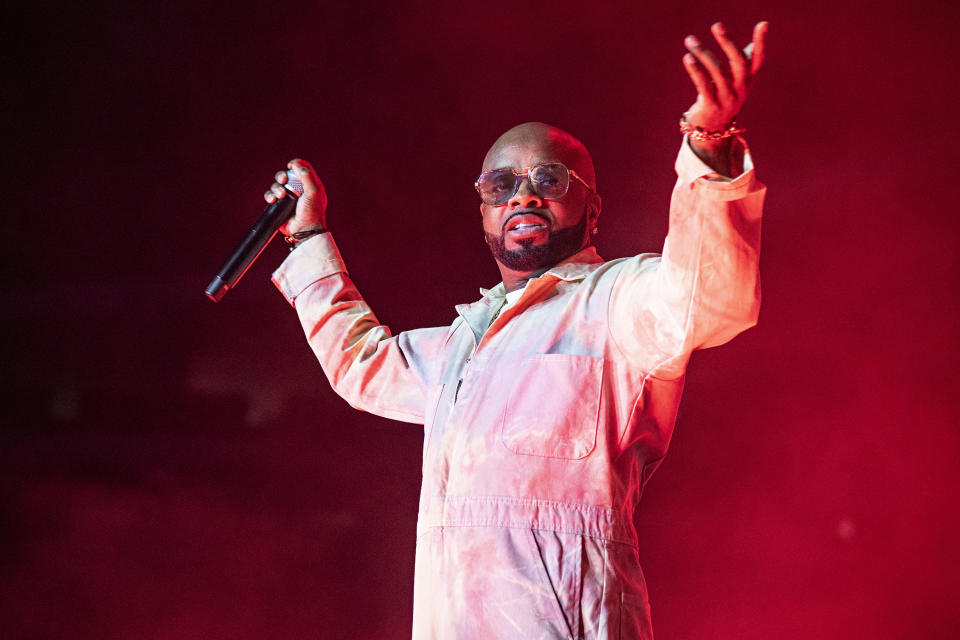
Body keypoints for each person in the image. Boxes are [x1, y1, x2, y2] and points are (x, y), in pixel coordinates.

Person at [265, 21, 768, 640]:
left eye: (548, 181)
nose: (523, 197)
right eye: (501, 186)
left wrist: (708, 144)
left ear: (591, 208)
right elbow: (362, 366)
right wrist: (309, 235)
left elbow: (710, 296)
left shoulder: (617, 303)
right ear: (483, 211)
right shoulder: (466, 345)